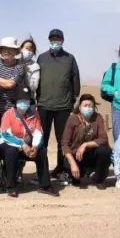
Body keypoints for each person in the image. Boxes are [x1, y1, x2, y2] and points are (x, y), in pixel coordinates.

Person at [36, 29, 81, 179]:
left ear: (62, 40)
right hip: (44, 105)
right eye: (52, 39)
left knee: (63, 140)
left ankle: (62, 170)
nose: (55, 42)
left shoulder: (70, 58)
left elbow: (75, 79)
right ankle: (42, 172)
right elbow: (35, 79)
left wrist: (73, 100)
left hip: (63, 106)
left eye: (58, 39)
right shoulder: (42, 58)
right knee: (41, 140)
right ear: (49, 40)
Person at [0, 89, 57, 197]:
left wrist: (35, 146)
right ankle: (11, 186)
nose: (24, 103)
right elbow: (6, 135)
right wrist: (22, 145)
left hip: (27, 145)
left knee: (42, 151)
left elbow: (38, 132)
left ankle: (45, 185)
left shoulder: (35, 114)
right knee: (11, 151)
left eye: (26, 100)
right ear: (16, 102)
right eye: (21, 100)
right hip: (8, 145)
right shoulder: (8, 114)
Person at [0, 37, 24, 178]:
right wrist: (3, 82)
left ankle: (10, 172)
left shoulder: (20, 66)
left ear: (15, 52)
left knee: (9, 143)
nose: (6, 51)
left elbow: (11, 84)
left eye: (10, 49)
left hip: (10, 112)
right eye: (4, 49)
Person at [61, 94, 111, 189]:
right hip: (76, 156)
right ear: (80, 107)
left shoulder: (98, 117)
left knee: (105, 151)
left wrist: (85, 145)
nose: (88, 108)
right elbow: (65, 144)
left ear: (94, 107)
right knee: (75, 178)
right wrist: (73, 164)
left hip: (92, 154)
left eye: (90, 106)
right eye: (85, 105)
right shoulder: (72, 119)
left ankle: (99, 179)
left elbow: (103, 139)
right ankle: (77, 174)